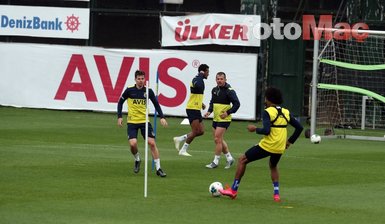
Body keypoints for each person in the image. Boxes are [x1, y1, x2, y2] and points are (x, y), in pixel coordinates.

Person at [220, 87, 303, 201]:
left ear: (269, 99)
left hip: (268, 145)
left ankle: (233, 190)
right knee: (273, 166)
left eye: (265, 98)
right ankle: (276, 195)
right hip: (280, 147)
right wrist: (289, 142)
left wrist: (255, 129)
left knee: (242, 160)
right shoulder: (286, 111)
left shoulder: (268, 112)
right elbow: (299, 128)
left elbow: (267, 130)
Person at [117, 70, 168, 177]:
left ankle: (159, 168)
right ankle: (137, 159)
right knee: (133, 144)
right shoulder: (129, 90)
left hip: (145, 121)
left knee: (152, 143)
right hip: (132, 122)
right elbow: (120, 102)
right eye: (139, 79)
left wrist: (162, 117)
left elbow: (156, 104)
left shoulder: (148, 91)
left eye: (142, 79)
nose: (141, 81)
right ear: (135, 79)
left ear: (145, 79)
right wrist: (120, 116)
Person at [204, 72, 240, 169]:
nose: (219, 80)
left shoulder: (230, 91)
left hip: (224, 119)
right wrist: (209, 111)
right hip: (216, 118)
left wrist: (227, 113)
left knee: (217, 139)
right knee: (219, 140)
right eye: (218, 79)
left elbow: (237, 104)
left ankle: (215, 161)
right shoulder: (214, 90)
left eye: (221, 79)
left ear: (225, 80)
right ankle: (229, 158)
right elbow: (212, 102)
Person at [173, 64, 210, 156]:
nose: (208, 74)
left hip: (196, 108)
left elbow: (196, 92)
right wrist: (201, 75)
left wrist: (201, 103)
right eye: (207, 72)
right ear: (203, 71)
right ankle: (183, 150)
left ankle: (180, 138)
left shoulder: (198, 79)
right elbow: (198, 86)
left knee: (201, 131)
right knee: (195, 131)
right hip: (192, 108)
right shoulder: (197, 79)